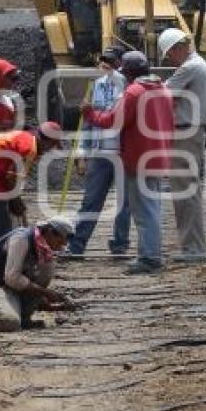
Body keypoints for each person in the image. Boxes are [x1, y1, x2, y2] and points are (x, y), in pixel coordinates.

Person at [81, 51, 173, 274]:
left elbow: (114, 121)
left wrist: (90, 114)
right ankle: (151, 253)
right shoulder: (164, 90)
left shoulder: (133, 92)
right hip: (158, 156)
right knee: (152, 208)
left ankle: (150, 258)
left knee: (143, 211)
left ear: (129, 73)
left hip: (138, 156)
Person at [0, 217, 75, 332]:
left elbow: (29, 277)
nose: (60, 247)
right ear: (50, 232)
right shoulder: (21, 239)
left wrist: (45, 303)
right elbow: (12, 278)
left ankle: (24, 316)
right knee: (10, 322)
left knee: (47, 270)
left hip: (9, 287)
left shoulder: (41, 246)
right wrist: (44, 292)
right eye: (59, 242)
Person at [70, 49, 131, 256]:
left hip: (124, 154)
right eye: (103, 62)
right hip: (100, 153)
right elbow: (86, 124)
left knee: (124, 204)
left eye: (110, 63)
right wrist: (81, 154)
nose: (105, 67)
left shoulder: (130, 87)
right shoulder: (94, 87)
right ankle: (77, 245)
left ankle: (120, 244)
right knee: (91, 200)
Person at [158, 28, 206, 263]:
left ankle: (193, 250)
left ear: (178, 47)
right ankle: (193, 247)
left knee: (185, 192)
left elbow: (161, 94)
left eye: (169, 54)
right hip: (190, 132)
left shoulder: (190, 68)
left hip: (185, 133)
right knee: (188, 190)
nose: (169, 59)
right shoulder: (198, 65)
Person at [0, 123, 63, 249]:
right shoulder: (29, 149)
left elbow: (11, 177)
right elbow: (11, 178)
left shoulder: (24, 138)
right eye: (52, 146)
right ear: (47, 142)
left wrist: (14, 200)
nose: (49, 150)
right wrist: (16, 201)